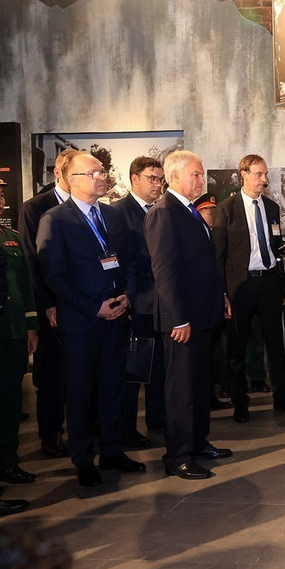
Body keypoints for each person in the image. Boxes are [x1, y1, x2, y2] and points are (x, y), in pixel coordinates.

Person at [36, 150, 145, 487]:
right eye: (93, 173)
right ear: (71, 180)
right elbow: (54, 277)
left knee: (114, 385)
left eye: (102, 171)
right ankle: (83, 457)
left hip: (116, 315)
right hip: (83, 322)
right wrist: (93, 307)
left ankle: (112, 449)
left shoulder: (112, 216)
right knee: (81, 390)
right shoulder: (54, 220)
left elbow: (127, 261)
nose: (102, 177)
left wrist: (127, 294)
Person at [145, 151, 232, 480]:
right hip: (182, 321)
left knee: (198, 384)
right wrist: (177, 318)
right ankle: (178, 455)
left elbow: (205, 264)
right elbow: (164, 272)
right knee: (180, 389)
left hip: (202, 315)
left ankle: (197, 442)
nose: (201, 180)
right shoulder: (163, 213)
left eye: (201, 174)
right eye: (195, 174)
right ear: (175, 176)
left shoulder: (190, 212)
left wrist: (220, 295)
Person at [213, 154, 285, 424]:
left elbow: (270, 244)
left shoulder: (272, 208)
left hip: (269, 282)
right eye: (259, 174)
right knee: (237, 348)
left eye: (265, 174)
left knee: (275, 344)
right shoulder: (226, 208)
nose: (265, 179)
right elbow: (219, 255)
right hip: (240, 286)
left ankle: (282, 398)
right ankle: (240, 403)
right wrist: (222, 294)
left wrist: (284, 250)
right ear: (244, 174)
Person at [0, 157, 38, 485]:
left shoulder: (10, 237)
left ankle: (7, 462)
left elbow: (25, 288)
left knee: (9, 402)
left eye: (0, 194)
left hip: (14, 333)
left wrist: (32, 326)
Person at [19, 151, 71, 459]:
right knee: (51, 377)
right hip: (50, 308)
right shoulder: (35, 207)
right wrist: (47, 305)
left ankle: (82, 431)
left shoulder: (92, 208)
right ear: (60, 173)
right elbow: (31, 260)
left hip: (84, 306)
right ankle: (50, 436)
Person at [112, 156, 167, 449]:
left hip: (163, 301)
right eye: (152, 178)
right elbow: (119, 262)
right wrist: (128, 299)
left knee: (160, 366)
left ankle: (157, 417)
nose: (158, 184)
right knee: (133, 370)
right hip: (137, 301)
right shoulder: (118, 212)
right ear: (135, 179)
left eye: (160, 179)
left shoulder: (163, 210)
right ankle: (126, 429)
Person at [194, 193, 233, 411]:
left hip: (215, 300)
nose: (214, 216)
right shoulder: (198, 234)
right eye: (210, 212)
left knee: (214, 351)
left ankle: (212, 393)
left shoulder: (214, 235)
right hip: (202, 304)